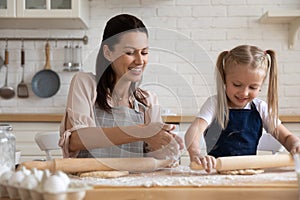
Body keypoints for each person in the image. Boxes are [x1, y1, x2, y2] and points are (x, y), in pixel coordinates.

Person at [59, 14, 183, 161]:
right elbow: (76, 140)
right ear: (108, 53)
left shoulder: (148, 100)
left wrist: (165, 145)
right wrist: (141, 131)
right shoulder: (85, 84)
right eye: (130, 53)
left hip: (134, 183)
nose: (139, 60)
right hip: (90, 182)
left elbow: (154, 159)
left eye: (144, 52)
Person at [185, 44, 300, 173]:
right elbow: (194, 130)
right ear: (224, 79)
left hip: (249, 174)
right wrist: (195, 153)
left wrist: (296, 144)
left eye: (253, 87)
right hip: (215, 173)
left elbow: (285, 137)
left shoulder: (260, 108)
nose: (244, 93)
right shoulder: (214, 104)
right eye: (237, 84)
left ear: (261, 86)